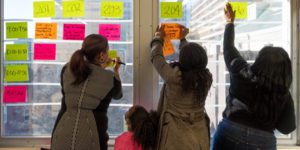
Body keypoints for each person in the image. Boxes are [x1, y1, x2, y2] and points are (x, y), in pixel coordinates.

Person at [212, 3, 296, 150]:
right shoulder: (283, 94)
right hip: (263, 143)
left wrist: (230, 22)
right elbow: (287, 128)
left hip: (230, 133)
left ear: (259, 60)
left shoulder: (242, 72)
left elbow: (228, 49)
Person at [51, 34, 123, 150]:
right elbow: (118, 95)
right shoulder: (110, 78)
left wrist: (100, 68)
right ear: (101, 55)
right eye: (107, 51)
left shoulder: (68, 69)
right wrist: (115, 71)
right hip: (92, 139)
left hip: (61, 135)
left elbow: (86, 81)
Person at [151, 25, 213, 150]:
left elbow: (156, 57)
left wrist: (158, 38)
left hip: (175, 136)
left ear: (182, 59)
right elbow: (192, 61)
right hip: (199, 135)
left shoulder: (173, 76)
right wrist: (183, 40)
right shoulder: (206, 79)